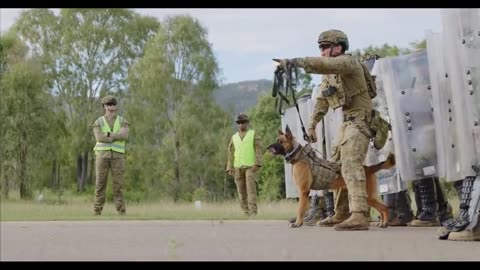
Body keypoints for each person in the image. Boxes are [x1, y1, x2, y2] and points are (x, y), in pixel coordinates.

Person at [276, 29, 377, 230]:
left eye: (324, 47)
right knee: (336, 169)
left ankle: (360, 214)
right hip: (347, 123)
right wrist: (312, 125)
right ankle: (342, 213)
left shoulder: (348, 63)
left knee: (349, 163)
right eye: (319, 48)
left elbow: (325, 65)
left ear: (338, 47)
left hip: (361, 122)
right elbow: (322, 101)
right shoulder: (330, 75)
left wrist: (296, 62)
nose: (321, 51)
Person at [92, 95, 129, 215]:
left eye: (113, 104)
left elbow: (124, 136)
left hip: (118, 157)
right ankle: (97, 211)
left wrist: (107, 135)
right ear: (104, 106)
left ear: (116, 106)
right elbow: (99, 137)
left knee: (118, 185)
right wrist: (115, 136)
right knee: (100, 184)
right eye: (108, 104)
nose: (111, 107)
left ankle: (121, 211)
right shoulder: (98, 122)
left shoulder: (123, 121)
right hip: (102, 156)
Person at [226, 113, 262, 216]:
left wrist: (257, 163)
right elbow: (230, 152)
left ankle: (253, 212)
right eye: (239, 123)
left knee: (251, 191)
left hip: (250, 167)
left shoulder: (253, 134)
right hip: (237, 167)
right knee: (241, 192)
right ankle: (246, 212)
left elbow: (258, 149)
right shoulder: (234, 137)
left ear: (247, 123)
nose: (241, 125)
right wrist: (229, 167)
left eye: (243, 122)